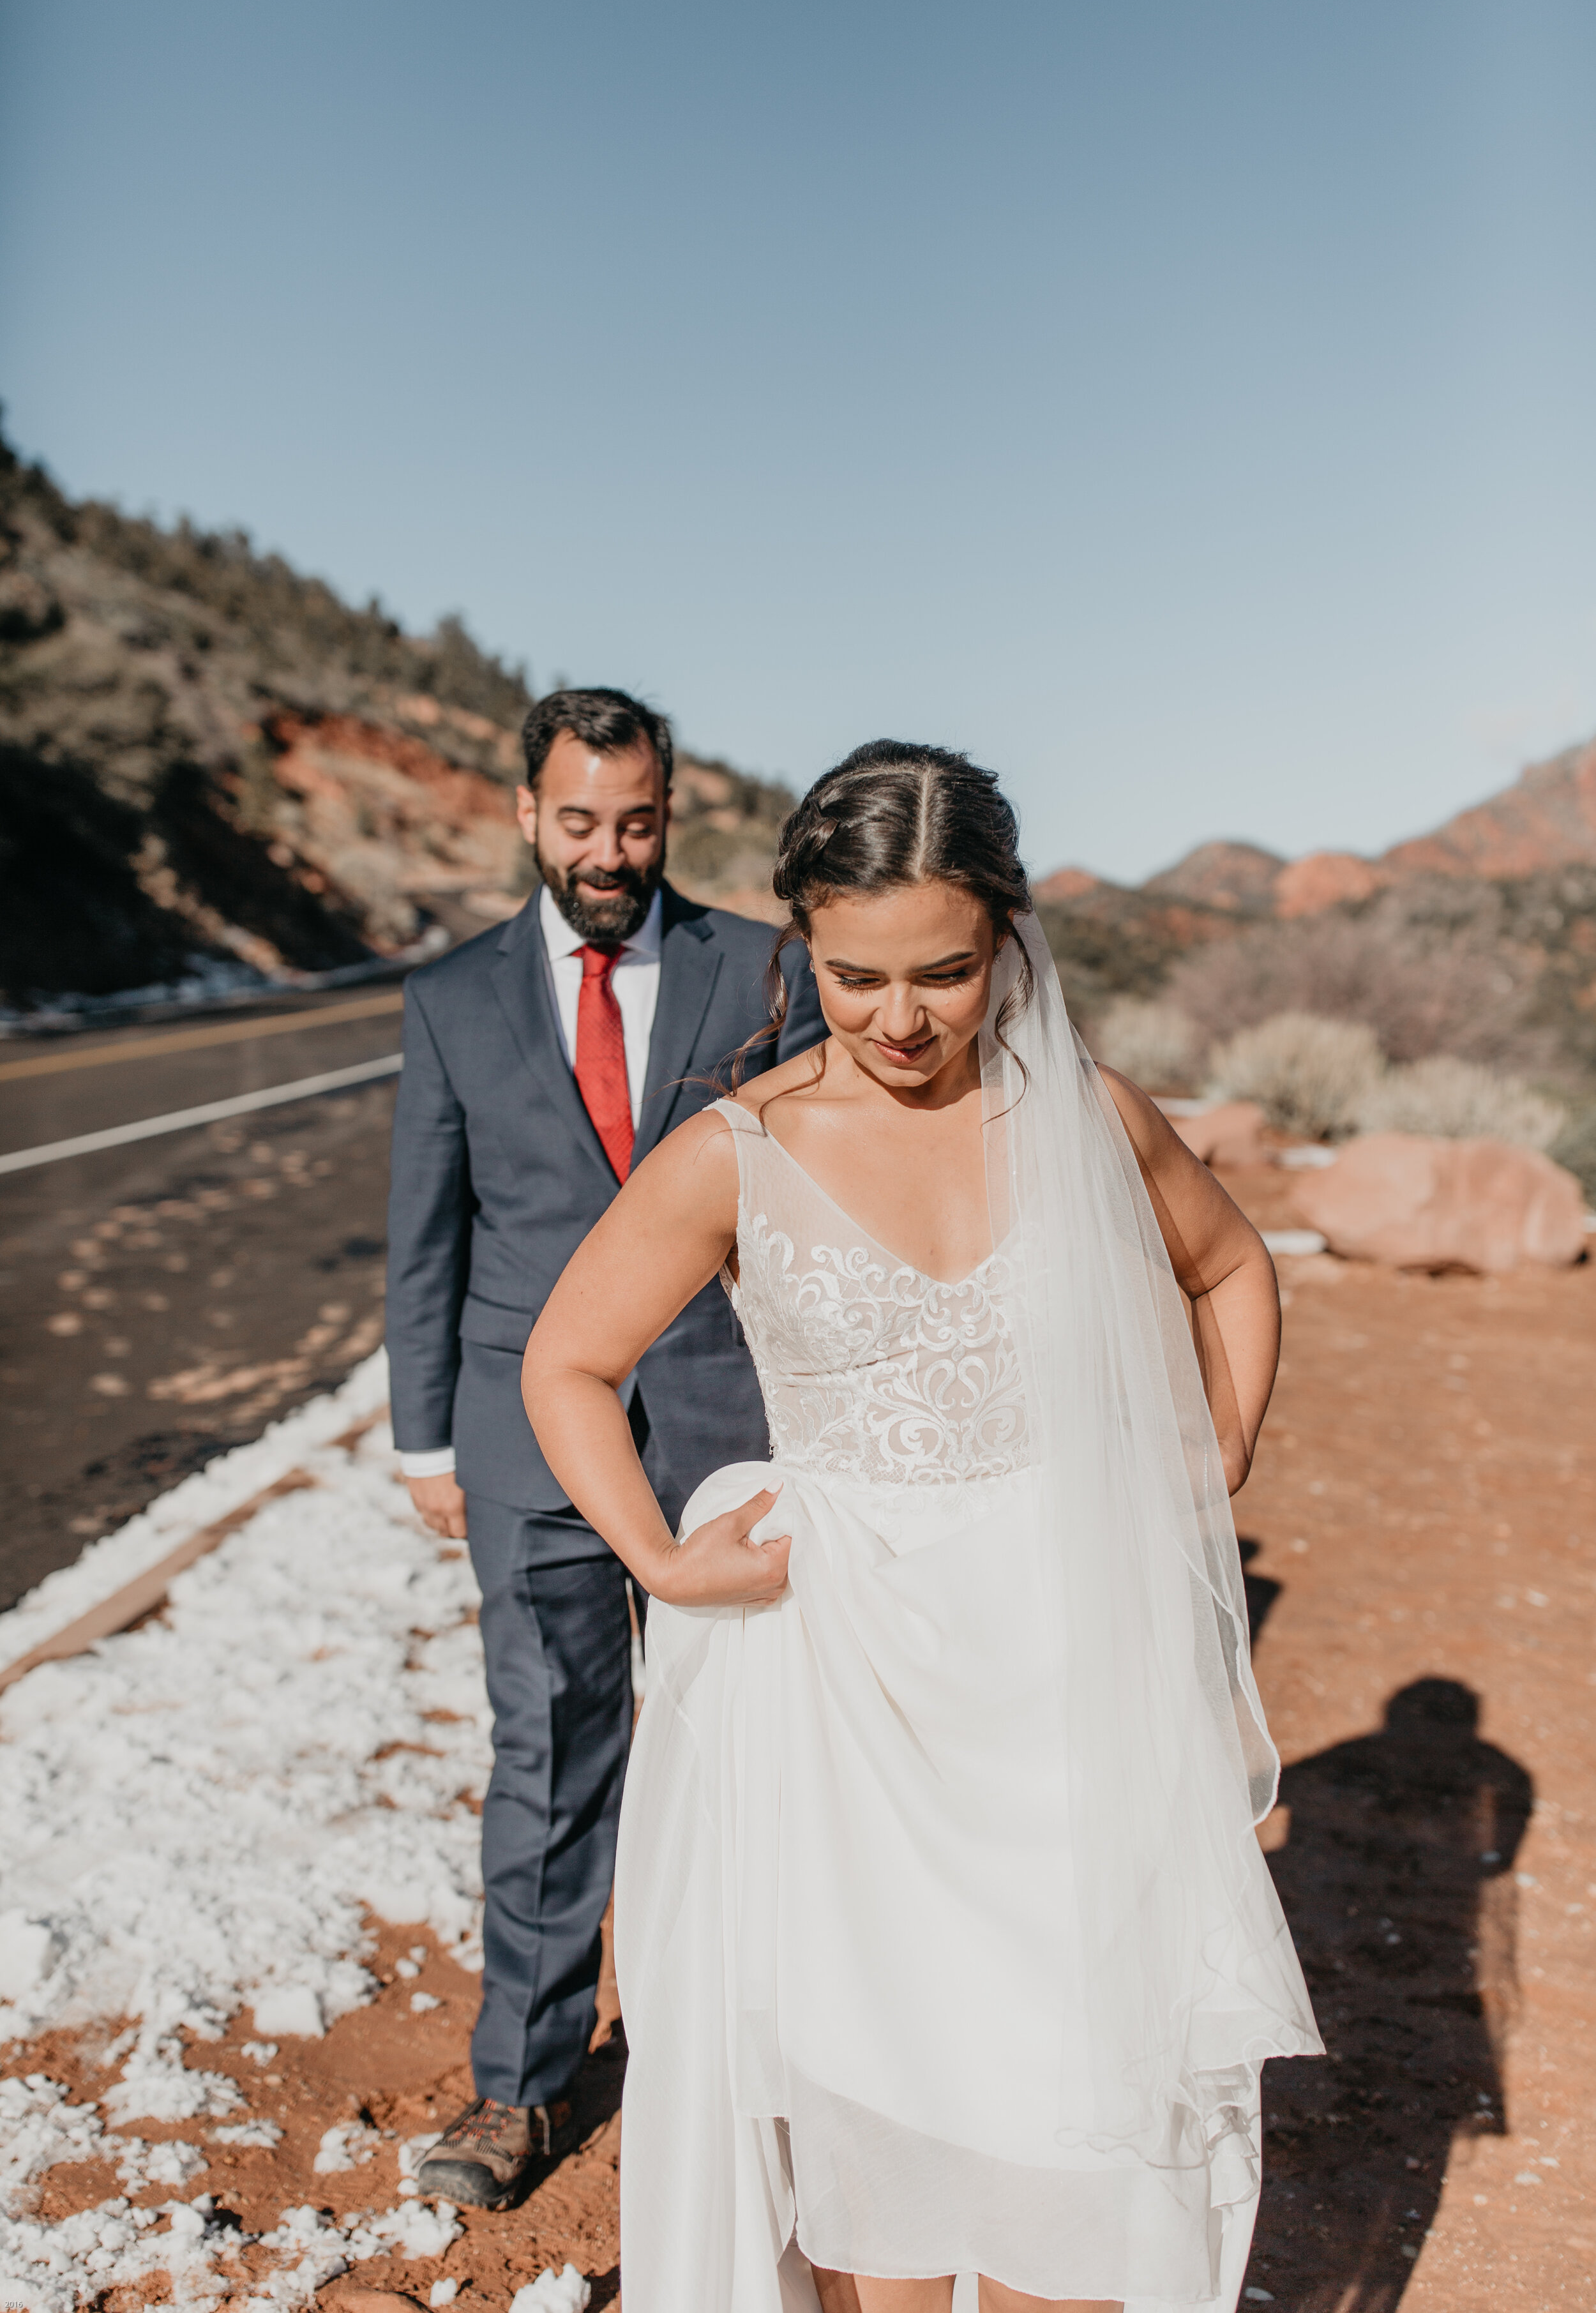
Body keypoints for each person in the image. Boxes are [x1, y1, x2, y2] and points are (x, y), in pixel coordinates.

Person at [523, 739, 1321, 2312]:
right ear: (799, 948)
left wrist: (1215, 1445)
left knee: (1073, 2100)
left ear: (1007, 940)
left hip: (1067, 1675)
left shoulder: (1087, 1116)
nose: (899, 1020)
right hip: (849, 1693)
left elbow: (1231, 1264)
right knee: (875, 2103)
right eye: (853, 977)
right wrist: (665, 1558)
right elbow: (566, 1358)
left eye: (944, 975)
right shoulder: (735, 1149)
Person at [385, 687, 825, 2207]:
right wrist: (420, 1442)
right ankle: (519, 2085)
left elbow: (827, 1190)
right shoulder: (446, 999)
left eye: (636, 820)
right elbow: (424, 1232)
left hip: (729, 1423)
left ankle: (770, 2063)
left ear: (668, 812)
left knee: (763, 1750)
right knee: (554, 1751)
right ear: (526, 814)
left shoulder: (760, 966)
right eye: (579, 819)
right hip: (525, 1441)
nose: (608, 849)